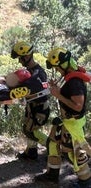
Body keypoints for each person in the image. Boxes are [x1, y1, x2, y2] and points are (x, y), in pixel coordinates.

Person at [35, 47, 91, 187]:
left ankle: (85, 182)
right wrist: (57, 90)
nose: (58, 71)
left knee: (75, 154)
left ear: (63, 65)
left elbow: (78, 105)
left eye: (57, 68)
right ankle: (52, 175)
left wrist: (58, 95)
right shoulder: (70, 78)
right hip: (66, 121)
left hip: (73, 123)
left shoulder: (75, 82)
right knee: (53, 143)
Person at [11, 41, 50, 160]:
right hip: (32, 105)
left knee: (31, 131)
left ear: (27, 56)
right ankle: (31, 152)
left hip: (39, 107)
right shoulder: (30, 72)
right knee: (28, 126)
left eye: (20, 58)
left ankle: (56, 148)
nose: (19, 61)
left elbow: (28, 87)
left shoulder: (38, 73)